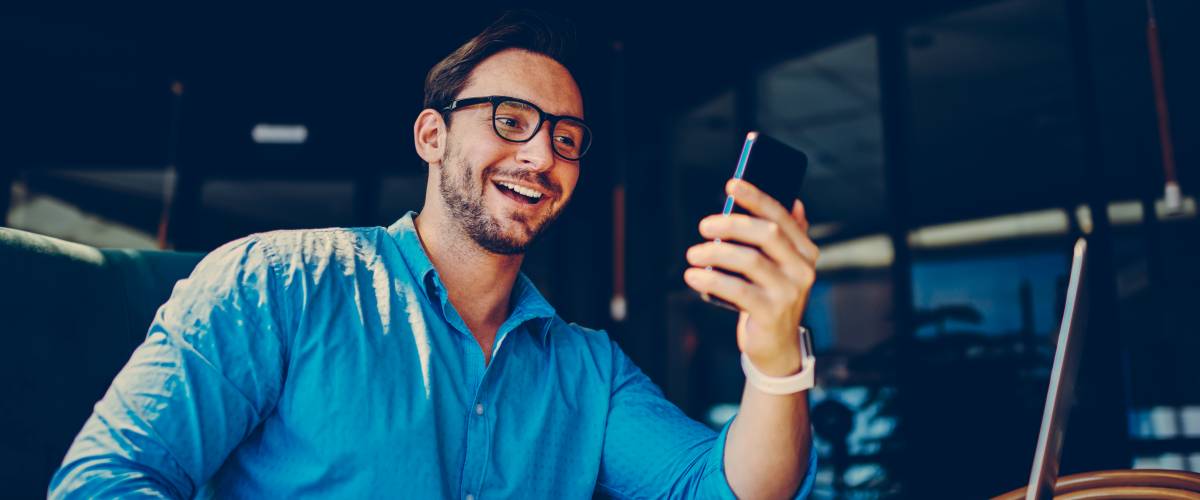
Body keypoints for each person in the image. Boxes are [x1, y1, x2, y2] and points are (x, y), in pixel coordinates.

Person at [49, 10, 819, 499]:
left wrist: (777, 351)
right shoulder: (278, 283)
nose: (541, 156)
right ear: (432, 136)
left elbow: (731, 490)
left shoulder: (587, 371)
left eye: (567, 139)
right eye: (511, 120)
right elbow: (107, 481)